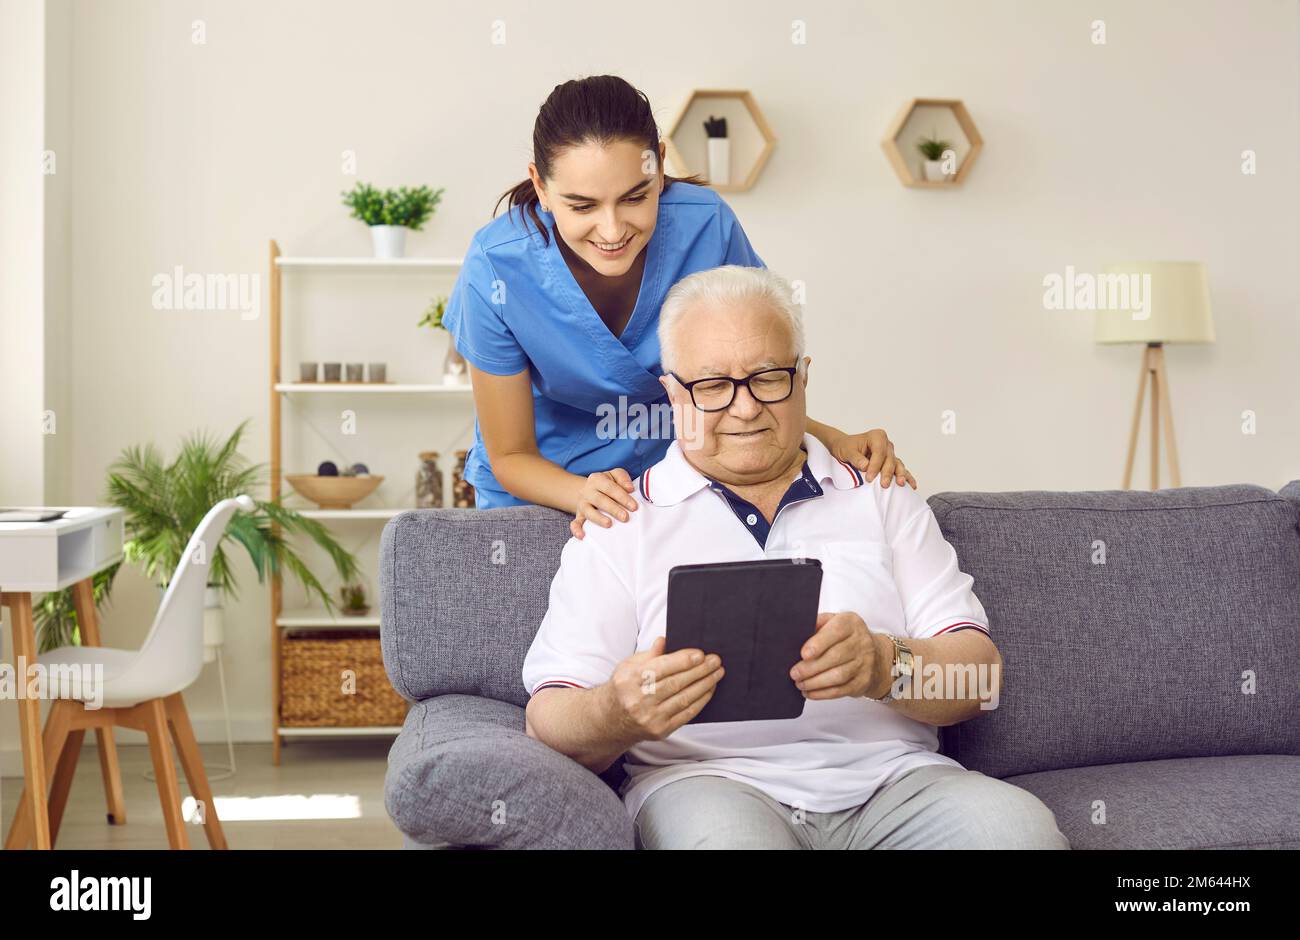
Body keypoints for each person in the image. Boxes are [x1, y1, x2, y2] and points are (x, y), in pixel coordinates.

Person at [521, 265, 1070, 849]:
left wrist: (886, 666)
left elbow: (979, 679)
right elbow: (547, 718)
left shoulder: (882, 495)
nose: (744, 408)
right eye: (712, 385)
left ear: (804, 377)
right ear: (674, 391)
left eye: (768, 377)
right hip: (707, 785)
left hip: (897, 785)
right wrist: (617, 710)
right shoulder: (620, 520)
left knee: (1020, 834)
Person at [443, 75, 915, 537]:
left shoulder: (706, 227)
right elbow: (510, 454)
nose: (611, 230)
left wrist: (834, 440)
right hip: (544, 491)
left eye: (635, 197)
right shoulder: (497, 266)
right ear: (540, 187)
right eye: (582, 206)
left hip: (676, 482)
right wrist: (582, 495)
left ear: (659, 165)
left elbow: (747, 382)